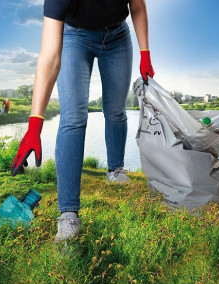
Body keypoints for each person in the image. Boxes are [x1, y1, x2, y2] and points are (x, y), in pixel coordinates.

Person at [10, 0, 155, 242]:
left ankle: (115, 169)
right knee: (73, 117)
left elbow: (137, 6)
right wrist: (35, 125)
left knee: (116, 110)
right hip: (75, 37)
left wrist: (145, 53)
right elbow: (49, 58)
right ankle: (68, 215)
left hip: (117, 35)